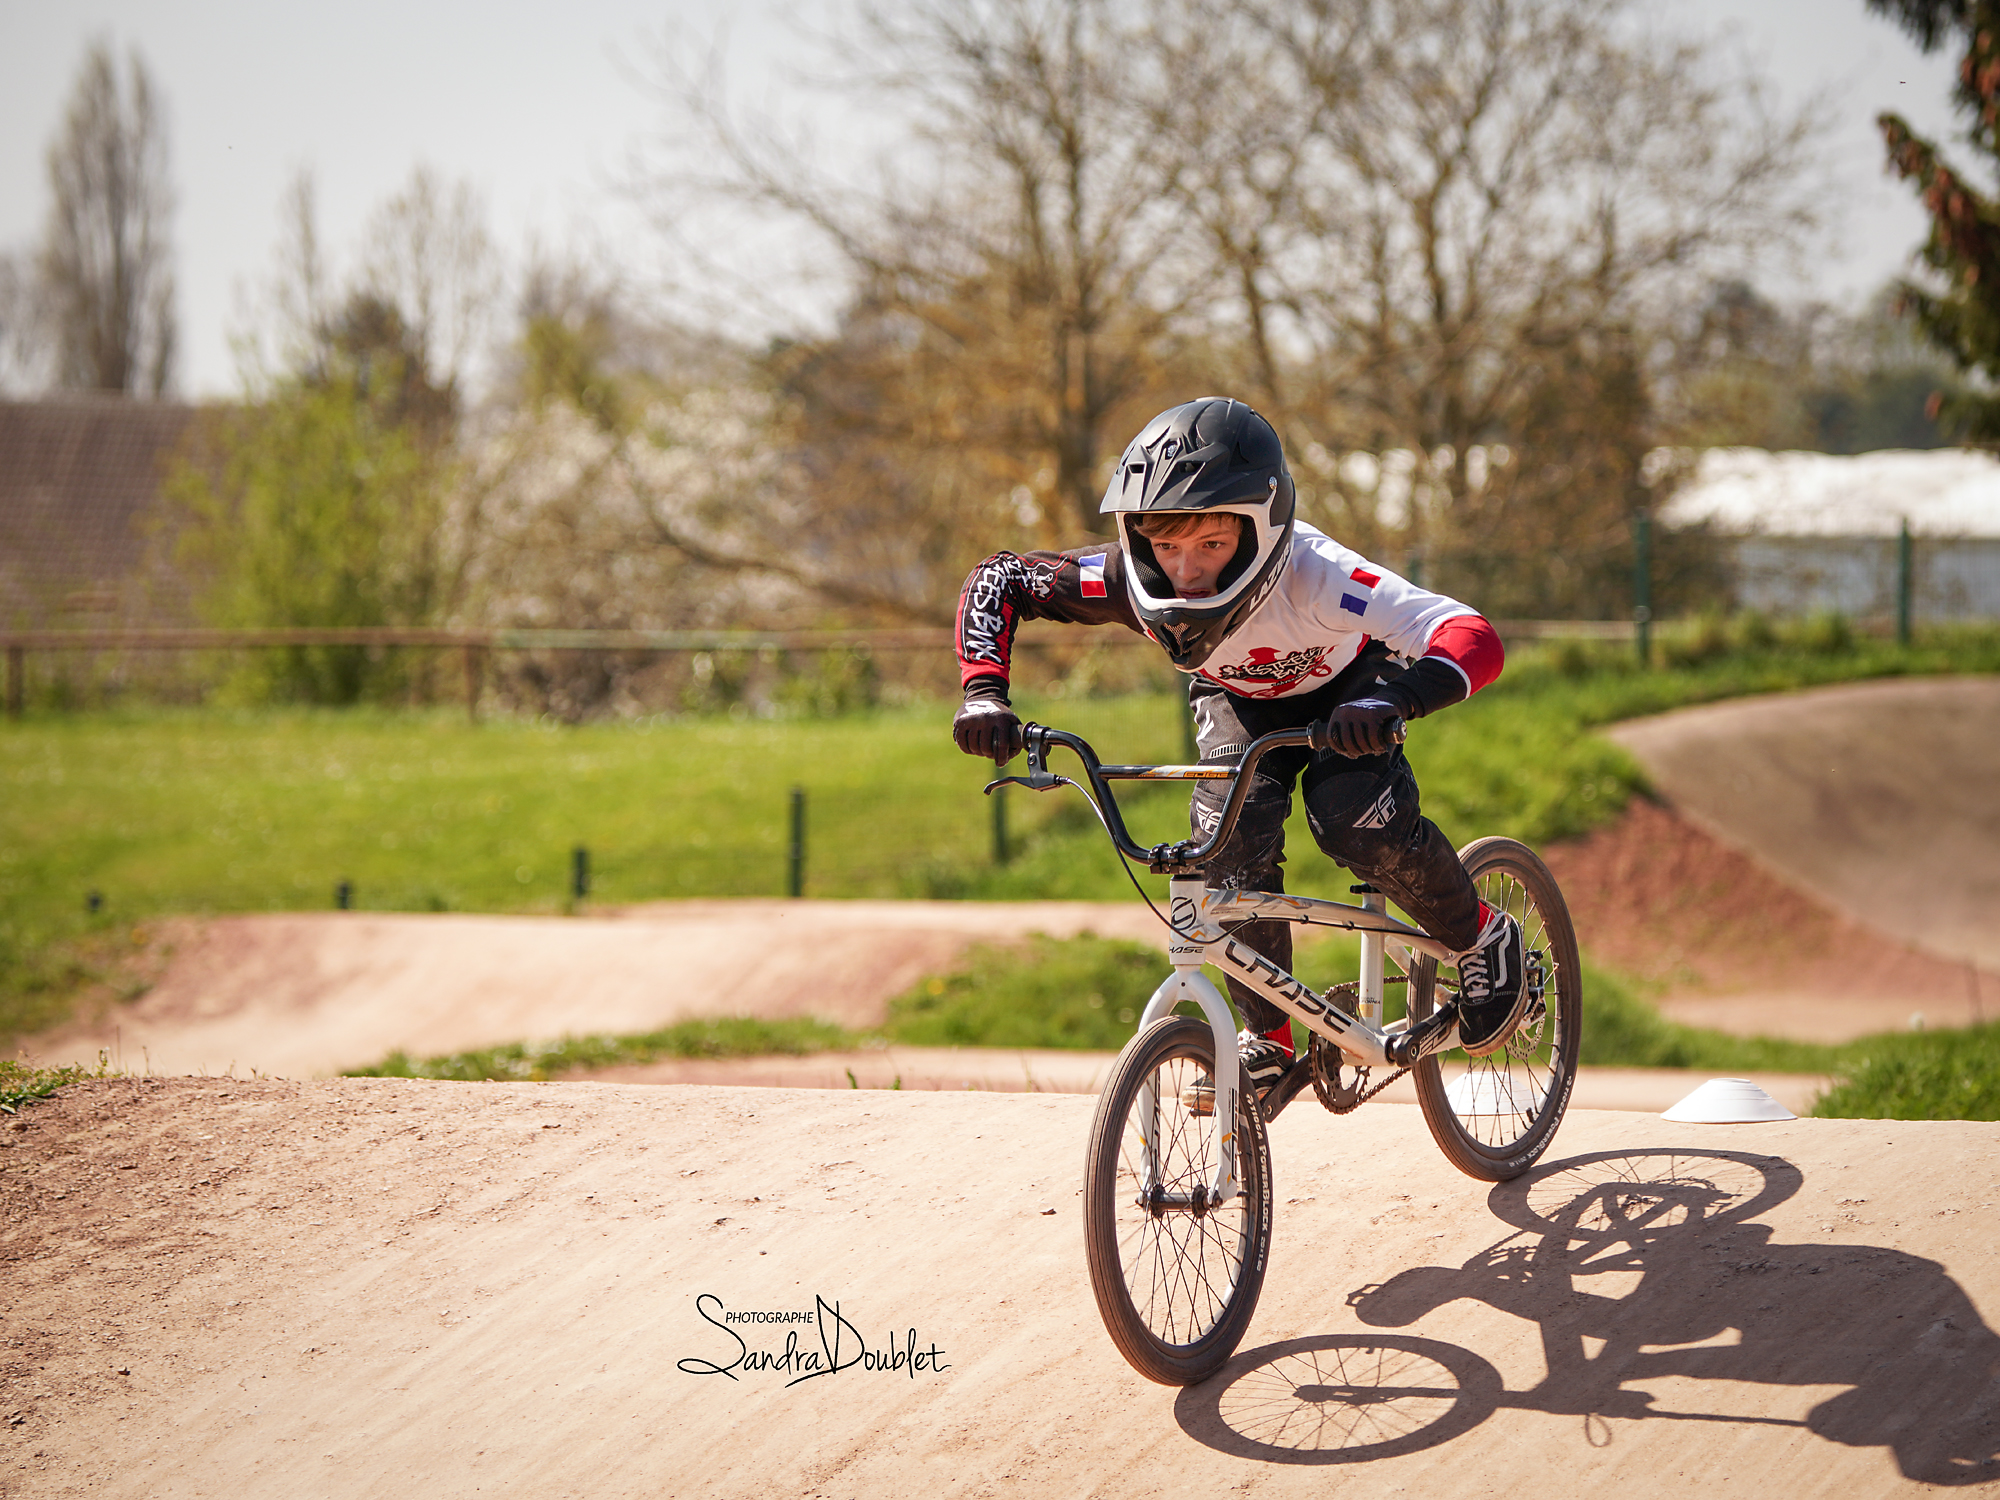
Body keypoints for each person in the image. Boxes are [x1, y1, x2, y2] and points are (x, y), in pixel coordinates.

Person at [950, 396, 1525, 1099]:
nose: (1186, 572)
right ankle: (1269, 1040)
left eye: (1212, 545)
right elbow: (1002, 578)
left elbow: (1471, 634)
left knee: (1352, 819)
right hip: (1238, 700)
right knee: (1226, 844)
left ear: (1263, 530)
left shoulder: (1319, 575)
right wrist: (985, 693)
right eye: (1166, 547)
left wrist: (1396, 700)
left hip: (1351, 692)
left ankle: (1483, 937)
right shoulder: (1129, 581)